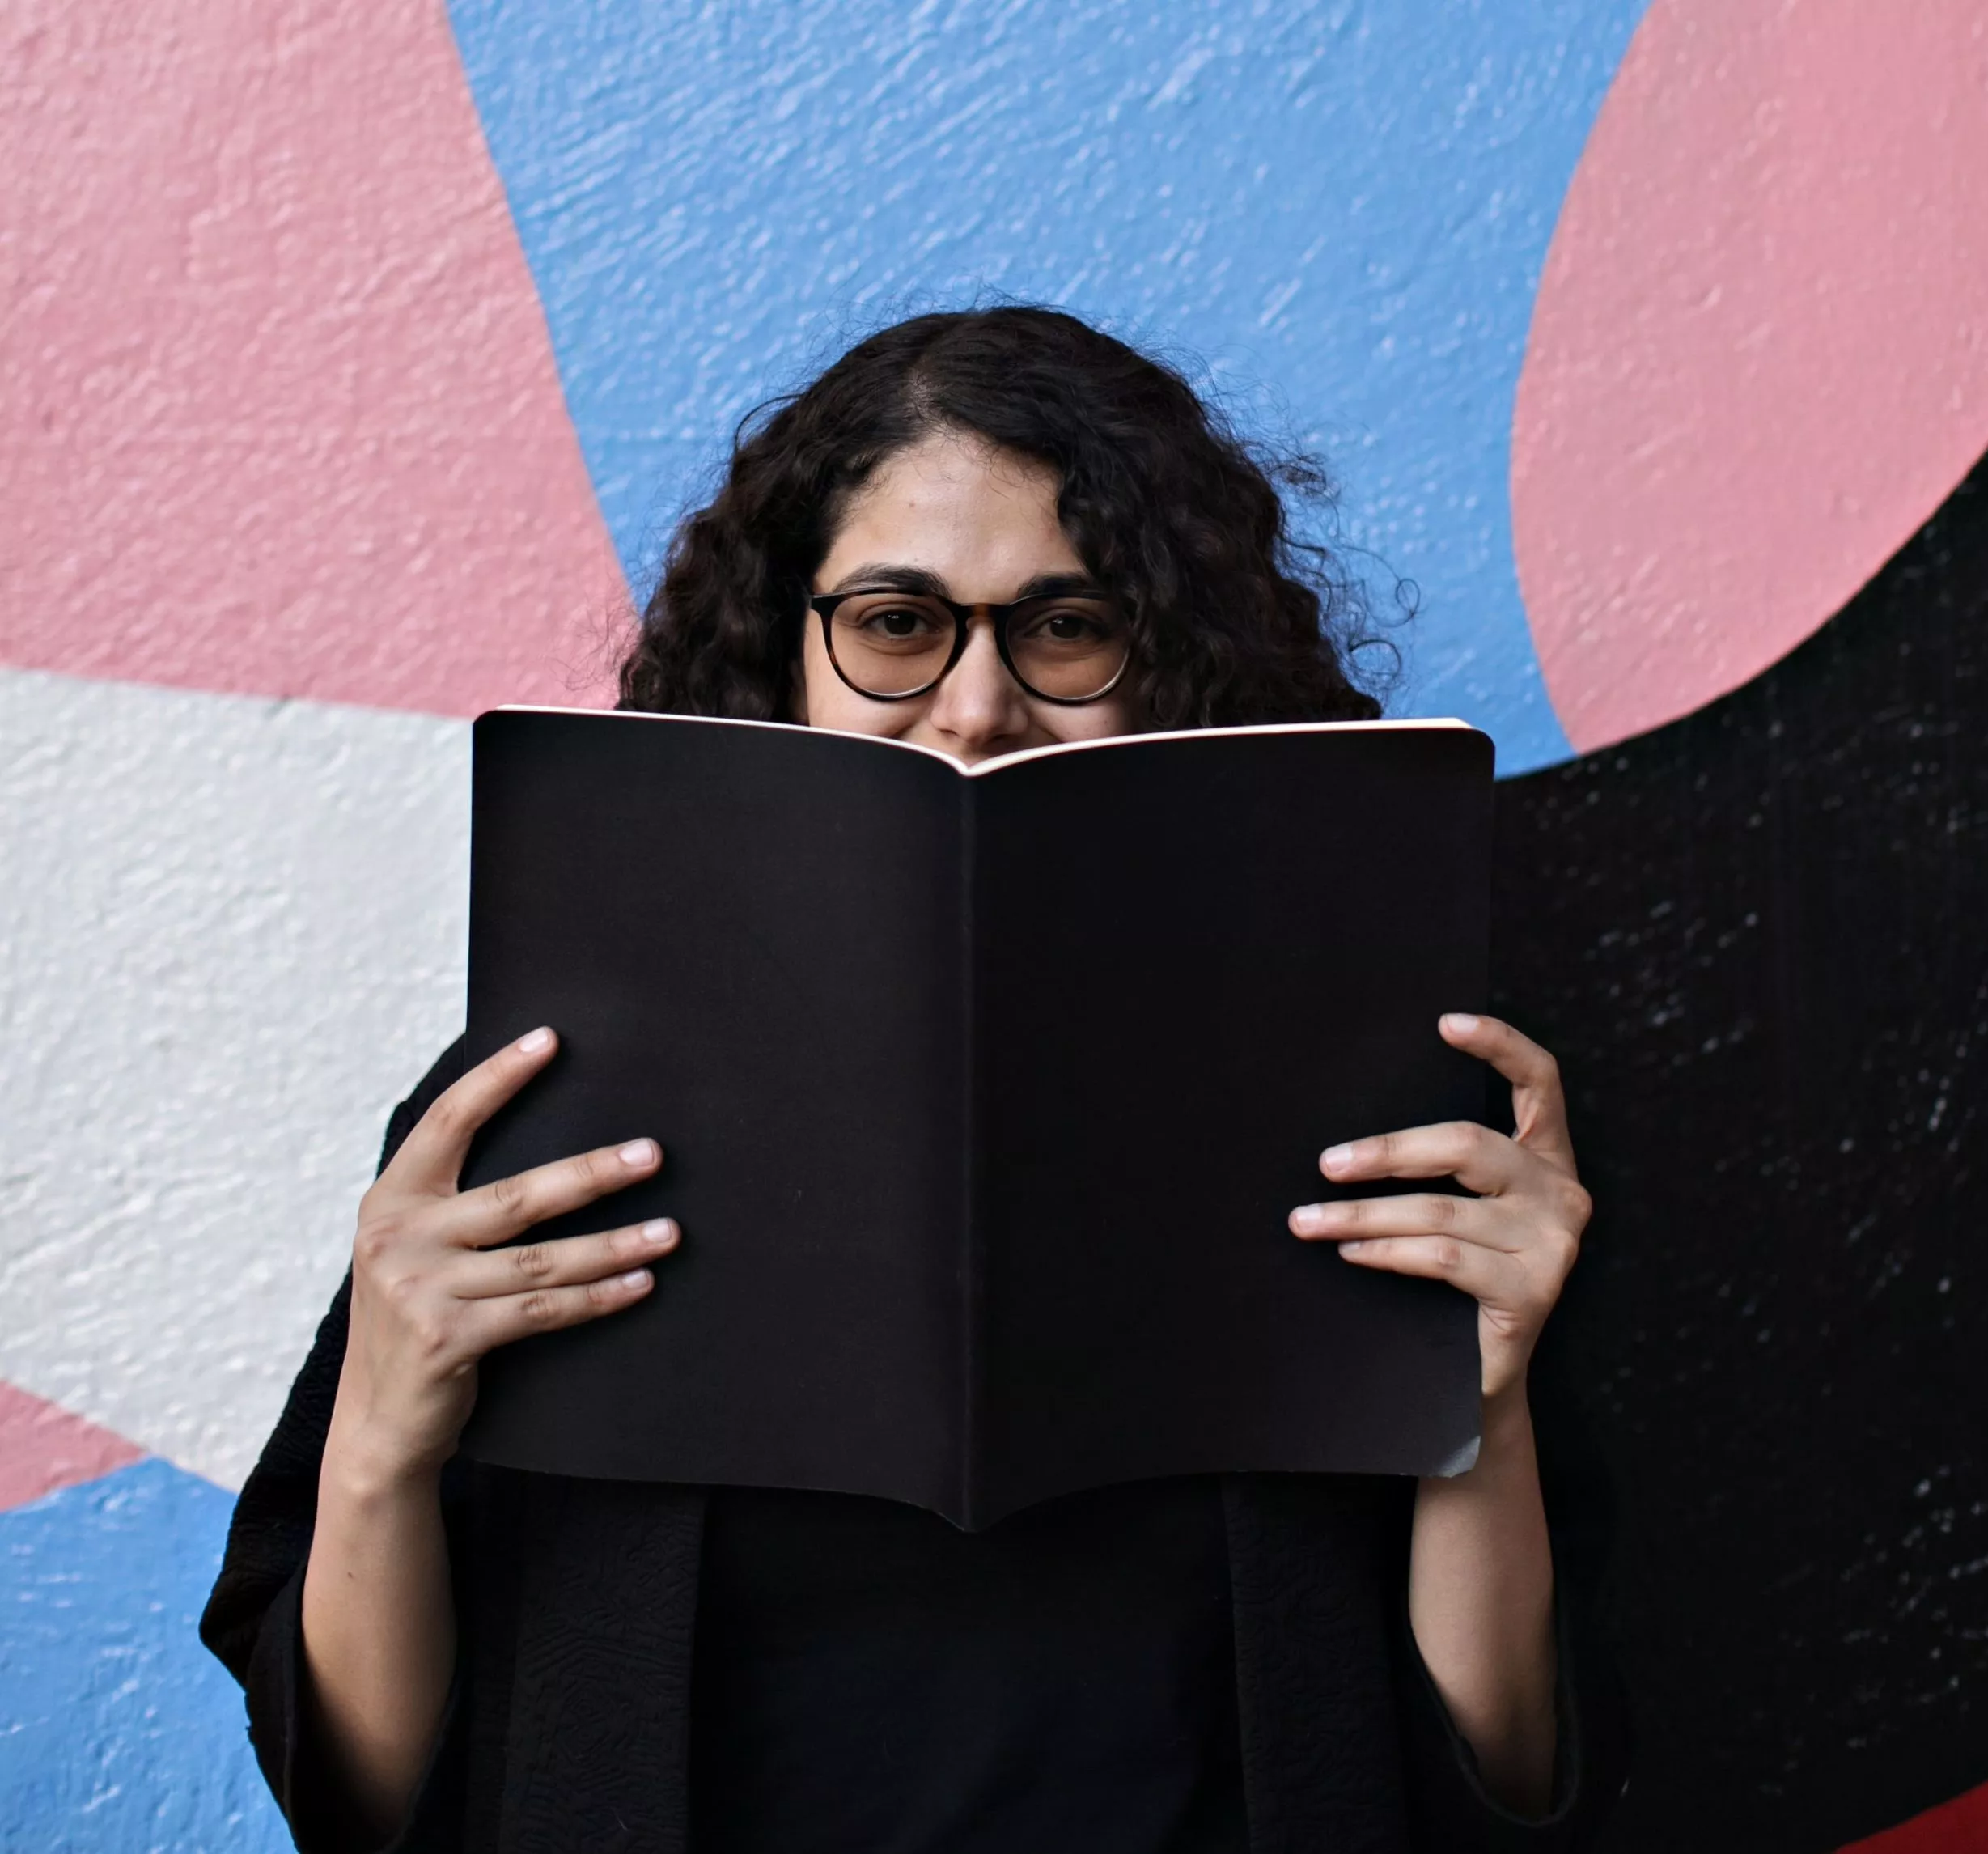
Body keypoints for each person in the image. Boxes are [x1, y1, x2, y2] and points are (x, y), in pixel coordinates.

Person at [203, 307, 1627, 1852]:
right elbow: (355, 1794)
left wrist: (1477, 1397)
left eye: (1066, 624)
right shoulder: (542, 1096)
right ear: (781, 646)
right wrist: (379, 1440)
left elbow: (1515, 1775)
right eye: (895, 620)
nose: (974, 703)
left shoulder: (1393, 1090)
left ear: (1172, 657)